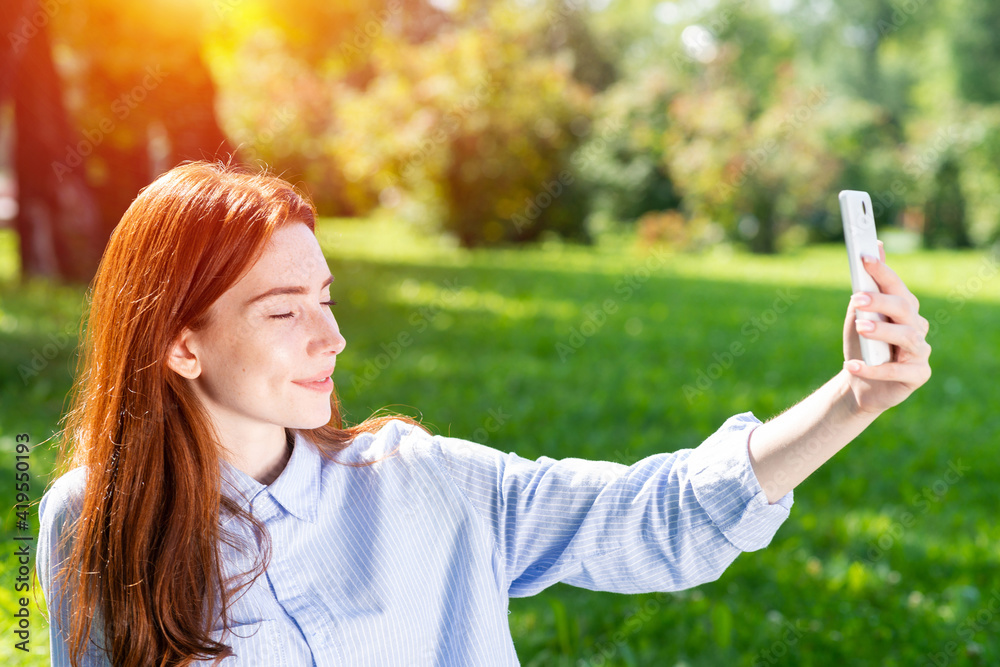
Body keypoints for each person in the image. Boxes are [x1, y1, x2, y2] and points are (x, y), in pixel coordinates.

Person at [37, 161, 931, 666]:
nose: (332, 337)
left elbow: (661, 516)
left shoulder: (419, 482)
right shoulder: (90, 517)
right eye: (283, 310)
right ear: (181, 344)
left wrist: (854, 398)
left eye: (327, 296)